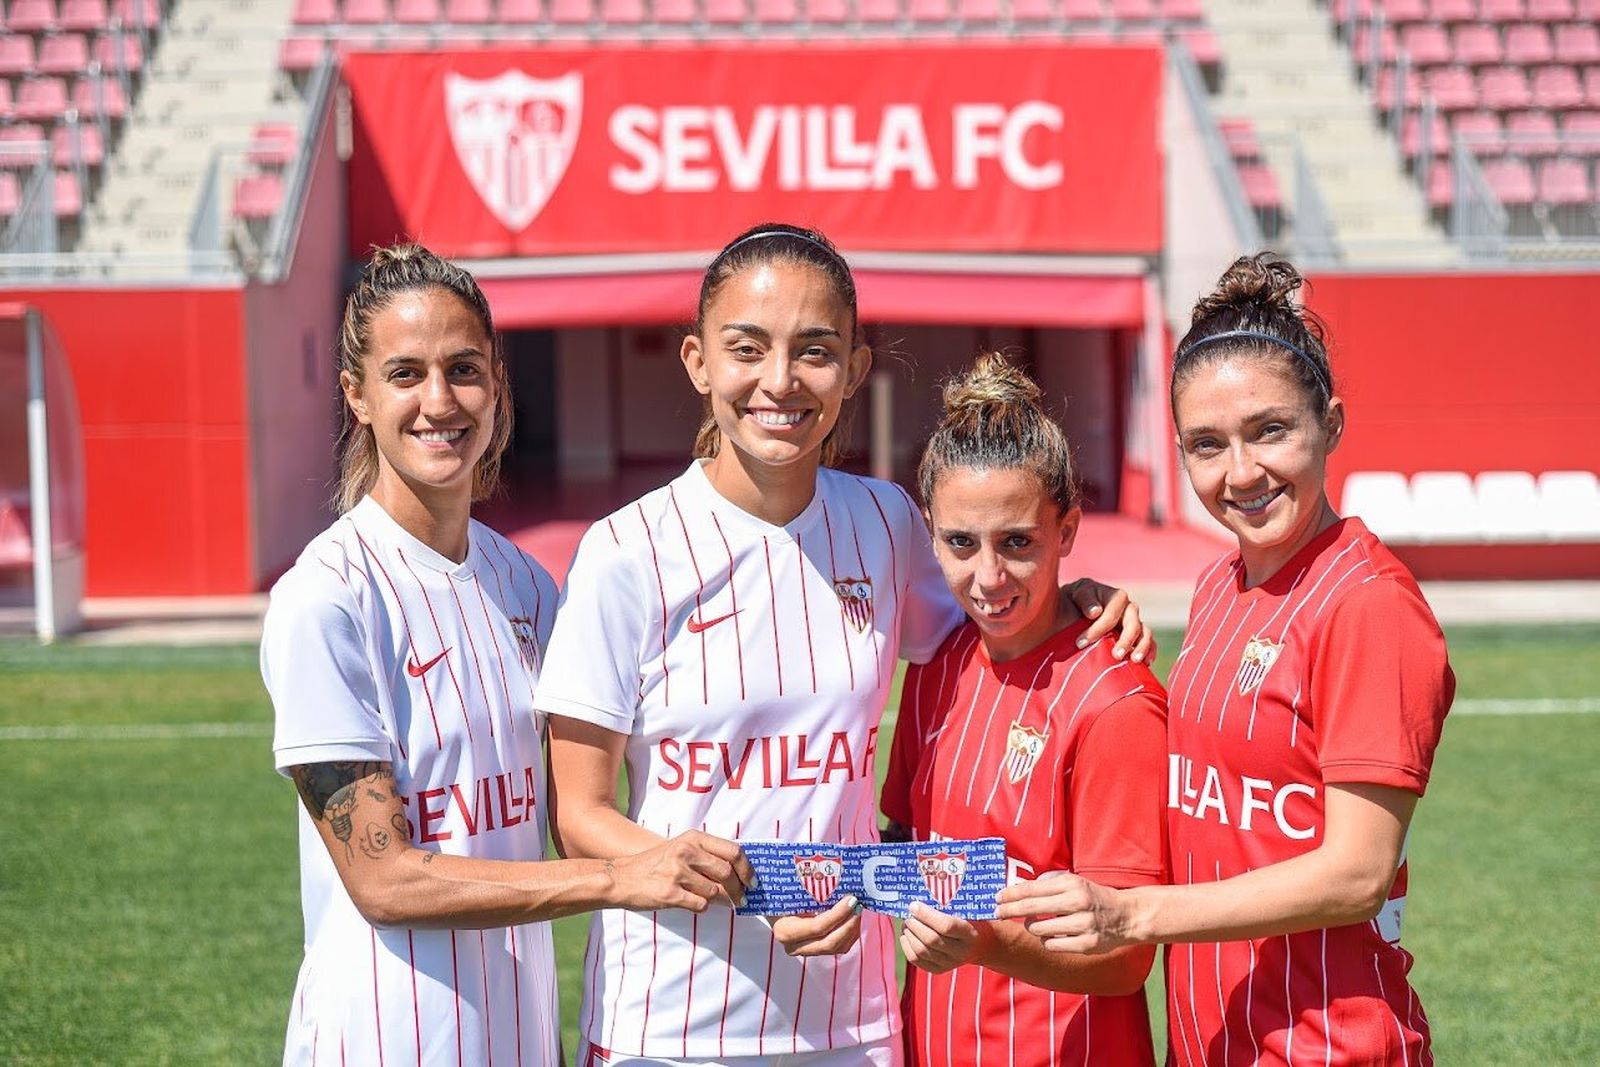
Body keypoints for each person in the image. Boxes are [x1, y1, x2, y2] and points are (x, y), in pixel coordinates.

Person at [537, 224, 1154, 1067]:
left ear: (856, 369)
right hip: (671, 1022)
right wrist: (754, 890)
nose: (779, 381)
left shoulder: (887, 522)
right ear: (697, 361)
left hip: (852, 1025)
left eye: (815, 350)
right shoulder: (624, 553)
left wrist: (1082, 597)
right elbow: (579, 816)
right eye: (746, 349)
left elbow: (999, 605)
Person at [261, 244, 753, 1066]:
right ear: (357, 395)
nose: (439, 401)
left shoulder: (526, 584)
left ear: (496, 379)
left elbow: (576, 811)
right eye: (406, 373)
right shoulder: (327, 597)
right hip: (384, 1040)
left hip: (520, 1037)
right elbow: (386, 881)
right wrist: (616, 880)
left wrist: (762, 882)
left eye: (463, 368)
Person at [997, 253, 1455, 1065]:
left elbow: (1357, 873)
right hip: (1216, 1041)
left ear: (1333, 424)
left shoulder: (1369, 605)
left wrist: (1135, 915)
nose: (1240, 472)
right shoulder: (1219, 585)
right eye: (1207, 444)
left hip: (1331, 1046)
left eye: (1270, 430)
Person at [880, 353, 1169, 1066]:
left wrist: (985, 940)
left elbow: (1128, 958)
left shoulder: (1116, 700)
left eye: (1018, 542)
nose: (988, 576)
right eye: (960, 543)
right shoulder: (935, 668)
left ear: (1066, 531)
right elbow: (901, 840)